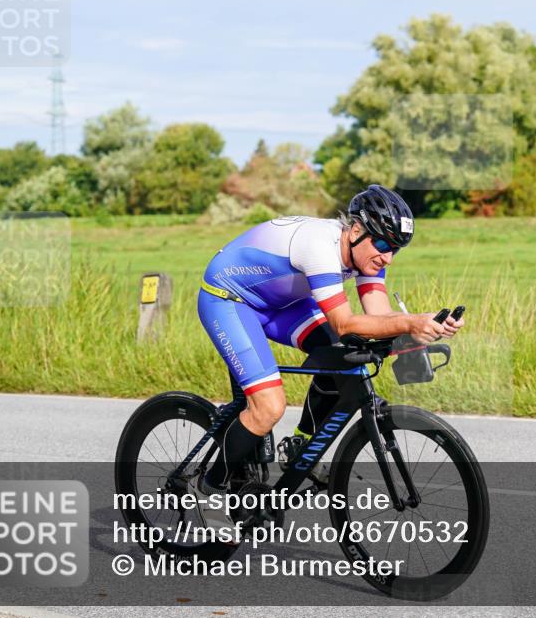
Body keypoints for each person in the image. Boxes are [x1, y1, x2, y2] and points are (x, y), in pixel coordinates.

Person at [193, 184, 464, 528]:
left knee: (345, 354)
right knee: (269, 407)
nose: (388, 257)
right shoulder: (319, 246)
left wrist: (424, 328)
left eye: (396, 249)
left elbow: (379, 319)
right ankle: (209, 488)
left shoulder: (367, 256)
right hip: (230, 300)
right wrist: (410, 322)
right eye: (383, 245)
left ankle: (300, 445)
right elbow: (344, 322)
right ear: (356, 230)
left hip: (284, 304)